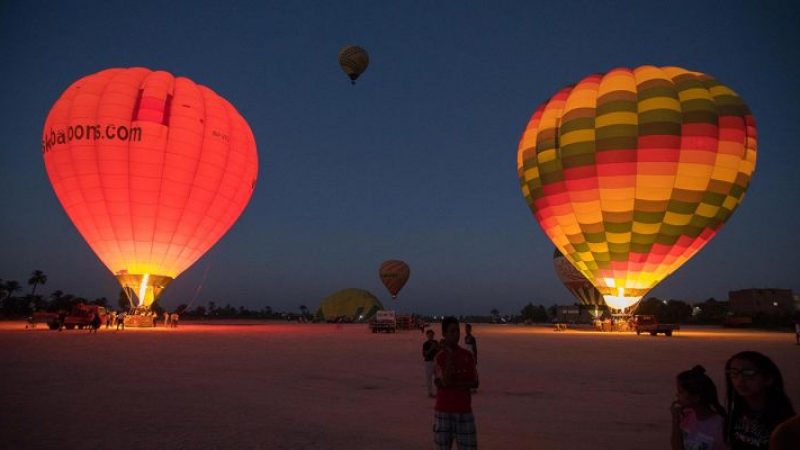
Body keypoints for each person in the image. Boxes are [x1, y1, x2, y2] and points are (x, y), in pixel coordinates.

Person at [725, 351, 795, 449]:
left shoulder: (785, 422)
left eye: (748, 373)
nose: (740, 379)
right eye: (734, 373)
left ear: (768, 379)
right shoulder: (735, 412)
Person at [433, 317, 478, 450]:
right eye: (452, 331)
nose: (456, 334)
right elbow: (445, 381)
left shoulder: (467, 355)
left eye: (457, 331)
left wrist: (454, 384)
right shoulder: (440, 357)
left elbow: (475, 382)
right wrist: (450, 356)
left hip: (464, 412)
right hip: (443, 412)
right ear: (444, 334)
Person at [670, 365, 728, 450]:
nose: (677, 395)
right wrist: (675, 420)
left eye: (681, 392)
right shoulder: (687, 416)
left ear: (696, 397)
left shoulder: (719, 426)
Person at [422, 329, 439, 398]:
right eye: (429, 335)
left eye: (432, 335)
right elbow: (425, 354)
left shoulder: (436, 342)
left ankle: (438, 392)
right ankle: (430, 393)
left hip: (435, 361)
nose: (431, 336)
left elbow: (439, 351)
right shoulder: (425, 344)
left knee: (438, 378)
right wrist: (431, 348)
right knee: (429, 378)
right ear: (427, 336)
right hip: (428, 362)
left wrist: (437, 347)